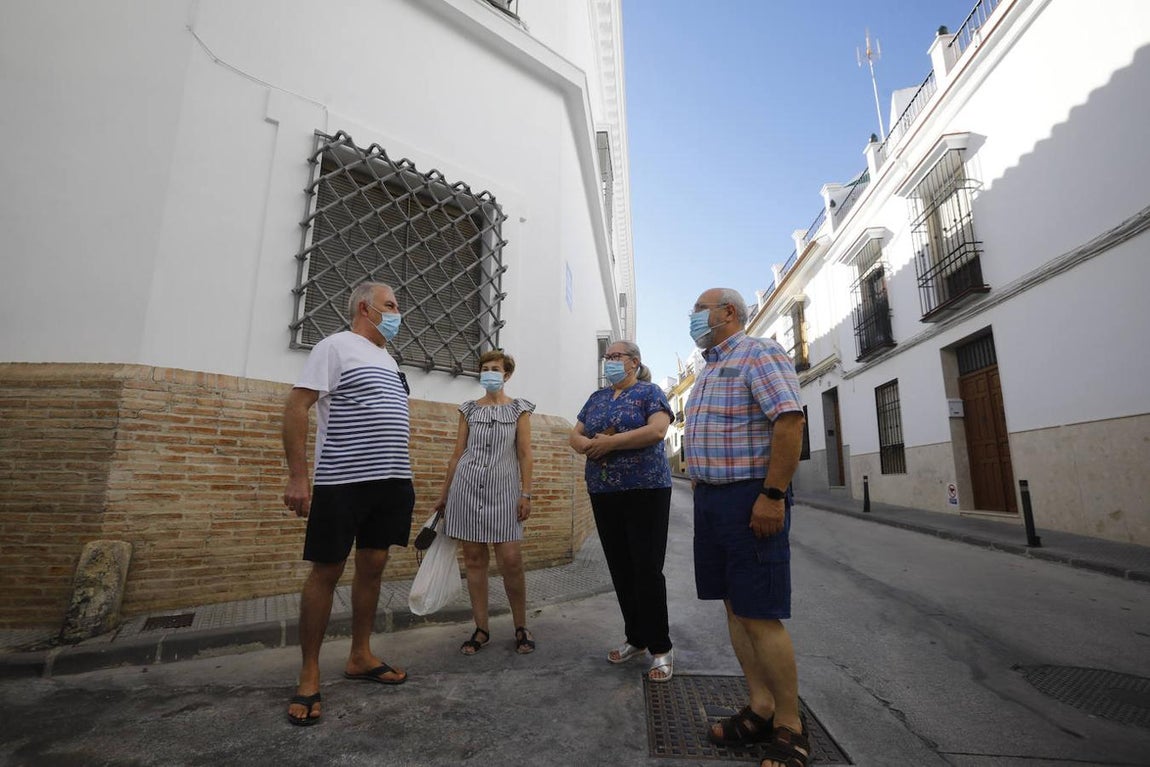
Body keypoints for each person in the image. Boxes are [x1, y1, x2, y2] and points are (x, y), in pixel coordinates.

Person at [684, 288, 809, 767]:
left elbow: (789, 422)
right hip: (713, 500)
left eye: (699, 310)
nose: (693, 318)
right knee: (735, 608)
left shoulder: (759, 352)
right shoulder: (710, 368)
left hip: (750, 498)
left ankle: (790, 726)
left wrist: (773, 495)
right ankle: (759, 707)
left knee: (760, 612)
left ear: (728, 312)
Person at [282, 281, 415, 727]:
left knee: (373, 566)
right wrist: (299, 476)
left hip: (393, 481)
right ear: (365, 307)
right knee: (326, 570)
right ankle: (308, 673)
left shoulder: (389, 360)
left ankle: (360, 655)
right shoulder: (336, 346)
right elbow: (298, 407)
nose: (398, 313)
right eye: (391, 305)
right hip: (343, 482)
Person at [570, 340, 675, 682]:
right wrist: (586, 444)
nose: (609, 361)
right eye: (607, 357)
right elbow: (576, 434)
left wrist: (608, 443)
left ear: (634, 362)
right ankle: (636, 639)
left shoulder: (650, 392)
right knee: (620, 568)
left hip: (646, 489)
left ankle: (661, 647)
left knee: (646, 569)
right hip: (604, 490)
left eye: (616, 356)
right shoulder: (597, 398)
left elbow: (658, 430)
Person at [434, 349, 536, 655]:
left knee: (511, 561)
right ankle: (481, 628)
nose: (489, 373)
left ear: (506, 375)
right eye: (485, 368)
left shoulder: (520, 409)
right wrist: (443, 495)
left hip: (504, 493)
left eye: (495, 368)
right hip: (466, 491)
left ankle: (520, 625)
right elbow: (456, 454)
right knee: (475, 562)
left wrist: (526, 493)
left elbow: (525, 454)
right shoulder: (468, 409)